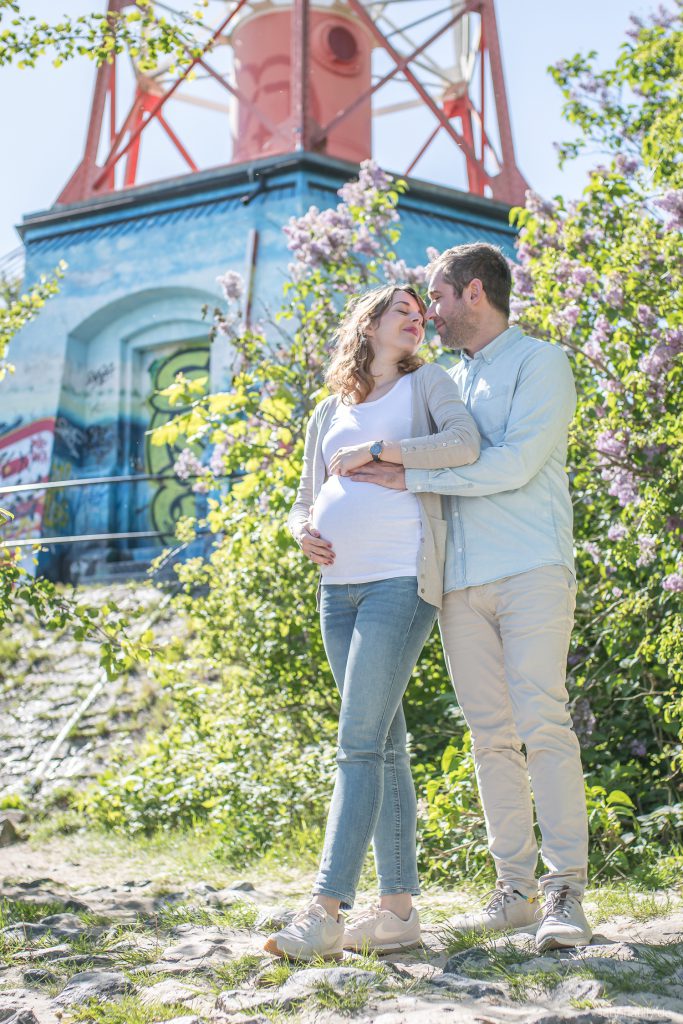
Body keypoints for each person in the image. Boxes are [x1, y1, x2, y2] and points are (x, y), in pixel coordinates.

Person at [349, 244, 592, 953]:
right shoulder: (443, 381)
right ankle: (512, 893)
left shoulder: (540, 362)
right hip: (457, 579)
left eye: (438, 298)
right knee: (489, 738)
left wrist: (413, 475)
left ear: (475, 293)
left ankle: (565, 892)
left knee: (543, 723)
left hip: (531, 567)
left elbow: (516, 464)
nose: (429, 313)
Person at [264, 284, 480, 961]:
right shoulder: (329, 407)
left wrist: (380, 452)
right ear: (370, 324)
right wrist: (302, 530)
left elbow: (464, 443)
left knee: (356, 743)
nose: (417, 322)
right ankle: (397, 914)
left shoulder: (427, 387)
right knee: (383, 745)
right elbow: (304, 500)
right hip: (337, 589)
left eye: (422, 316)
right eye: (403, 313)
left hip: (399, 579)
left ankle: (325, 911)